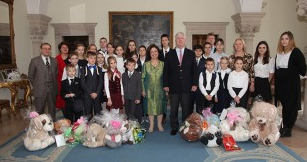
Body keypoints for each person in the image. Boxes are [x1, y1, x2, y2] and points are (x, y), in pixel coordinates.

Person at [163, 32, 198, 135]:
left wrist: (194, 84)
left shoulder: (191, 53)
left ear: (185, 40)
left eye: (182, 38)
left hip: (187, 87)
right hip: (173, 87)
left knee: (186, 109)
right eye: (178, 38)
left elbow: (194, 70)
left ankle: (184, 127)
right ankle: (174, 127)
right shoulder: (170, 54)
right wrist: (165, 84)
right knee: (173, 109)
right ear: (175, 40)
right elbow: (166, 71)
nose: (180, 40)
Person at [275, 31, 306, 137]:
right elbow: (277, 68)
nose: (284, 41)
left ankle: (288, 128)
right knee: (284, 106)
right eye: (282, 39)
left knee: (291, 107)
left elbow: (302, 69)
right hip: (281, 83)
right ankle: (284, 127)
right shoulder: (279, 53)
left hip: (291, 83)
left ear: (291, 40)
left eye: (286, 39)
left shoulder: (296, 51)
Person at [28, 43, 58, 121]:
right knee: (39, 110)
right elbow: (31, 76)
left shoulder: (54, 61)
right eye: (45, 48)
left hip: (52, 89)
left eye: (49, 49)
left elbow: (56, 74)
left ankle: (52, 126)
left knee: (52, 110)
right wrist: (37, 86)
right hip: (40, 90)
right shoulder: (34, 61)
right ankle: (40, 128)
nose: (47, 50)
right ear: (41, 50)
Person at [143, 44, 165, 132]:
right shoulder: (146, 64)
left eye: (155, 51)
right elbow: (142, 78)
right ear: (149, 53)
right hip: (149, 90)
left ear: (158, 53)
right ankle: (151, 125)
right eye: (151, 52)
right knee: (150, 107)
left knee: (160, 107)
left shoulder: (163, 64)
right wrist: (143, 90)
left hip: (161, 89)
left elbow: (166, 78)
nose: (153, 53)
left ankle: (159, 124)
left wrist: (166, 89)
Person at [80, 51, 103, 118]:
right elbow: (83, 83)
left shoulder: (99, 69)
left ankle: (97, 127)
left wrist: (96, 93)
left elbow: (101, 82)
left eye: (94, 58)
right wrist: (90, 93)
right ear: (87, 59)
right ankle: (88, 127)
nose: (93, 60)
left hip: (97, 94)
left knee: (98, 113)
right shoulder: (83, 69)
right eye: (91, 58)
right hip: (87, 95)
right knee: (88, 113)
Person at [122, 58, 142, 123]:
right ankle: (128, 126)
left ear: (135, 66)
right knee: (127, 111)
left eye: (133, 65)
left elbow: (139, 87)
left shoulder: (138, 75)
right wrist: (122, 97)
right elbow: (122, 86)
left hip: (134, 97)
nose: (131, 67)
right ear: (126, 66)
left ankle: (134, 125)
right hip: (126, 97)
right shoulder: (123, 75)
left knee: (133, 112)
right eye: (129, 65)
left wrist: (138, 98)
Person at [190, 44, 206, 114]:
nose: (198, 52)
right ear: (194, 51)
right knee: (189, 105)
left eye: (200, 51)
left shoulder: (205, 61)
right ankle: (189, 121)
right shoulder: (189, 60)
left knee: (200, 106)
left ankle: (199, 121)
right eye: (196, 50)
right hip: (191, 86)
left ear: (202, 52)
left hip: (201, 86)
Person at [55, 42, 70, 110]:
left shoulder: (72, 57)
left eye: (66, 47)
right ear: (60, 49)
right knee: (62, 100)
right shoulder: (56, 59)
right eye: (63, 47)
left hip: (71, 82)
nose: (65, 49)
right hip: (60, 82)